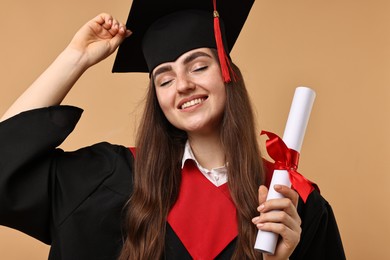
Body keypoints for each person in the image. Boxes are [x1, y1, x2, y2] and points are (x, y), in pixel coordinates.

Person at [0, 0, 346, 259]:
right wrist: (75, 58)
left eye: (198, 66)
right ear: (158, 100)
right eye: (164, 79)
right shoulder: (108, 178)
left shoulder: (291, 205)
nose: (181, 84)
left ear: (229, 75)